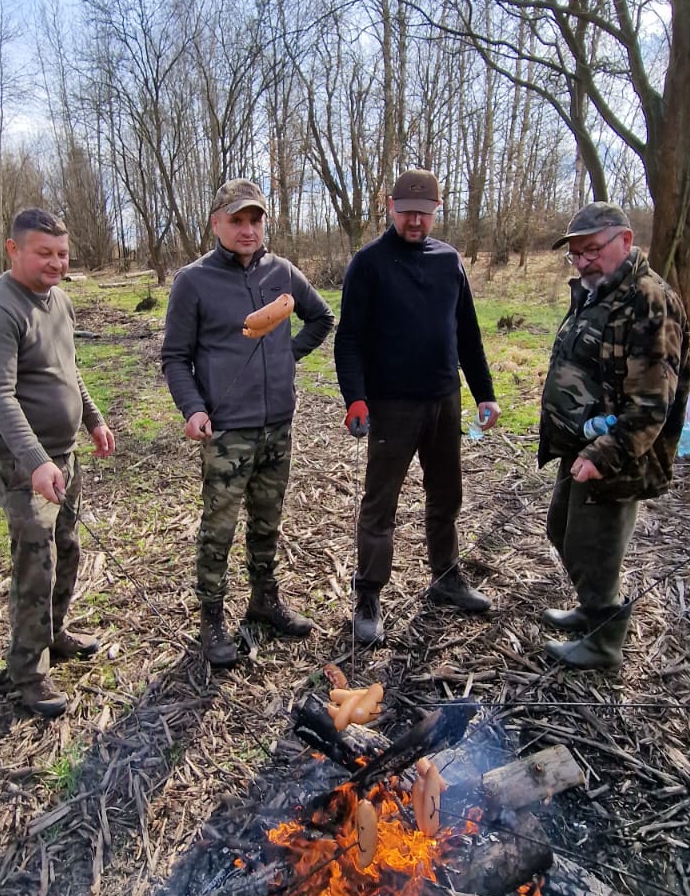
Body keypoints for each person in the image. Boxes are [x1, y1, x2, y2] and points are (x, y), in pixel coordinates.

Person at [161, 180, 334, 667]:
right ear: (215, 222)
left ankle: (264, 599)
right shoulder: (193, 281)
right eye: (236, 220)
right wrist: (193, 409)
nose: (247, 229)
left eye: (255, 220)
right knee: (219, 527)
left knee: (267, 519)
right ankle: (212, 617)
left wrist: (285, 355)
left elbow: (321, 318)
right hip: (227, 430)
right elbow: (174, 357)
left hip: (277, 423)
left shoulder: (282, 272)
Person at [334, 167, 500, 646]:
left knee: (446, 494)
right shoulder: (368, 264)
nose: (414, 221)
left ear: (436, 212)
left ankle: (446, 576)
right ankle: (368, 595)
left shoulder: (449, 261)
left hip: (444, 399)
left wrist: (484, 392)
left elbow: (467, 334)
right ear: (391, 207)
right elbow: (349, 339)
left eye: (424, 214)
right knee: (380, 503)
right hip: (391, 405)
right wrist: (355, 398)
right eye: (406, 212)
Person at [0, 208, 116, 718]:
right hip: (17, 461)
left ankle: (54, 634)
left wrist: (92, 419)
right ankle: (27, 673)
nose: (56, 263)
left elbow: (68, 370)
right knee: (36, 562)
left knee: (66, 549)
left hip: (63, 455)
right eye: (43, 253)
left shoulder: (60, 301)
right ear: (13, 249)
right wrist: (35, 462)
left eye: (62, 254)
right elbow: (0, 398)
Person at [537, 202, 690, 671]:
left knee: (594, 546)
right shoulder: (599, 290)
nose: (583, 262)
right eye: (576, 254)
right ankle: (591, 610)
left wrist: (605, 453)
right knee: (563, 531)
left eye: (592, 250)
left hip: (618, 456)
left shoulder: (648, 300)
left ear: (625, 240)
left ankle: (604, 642)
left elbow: (652, 402)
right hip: (581, 445)